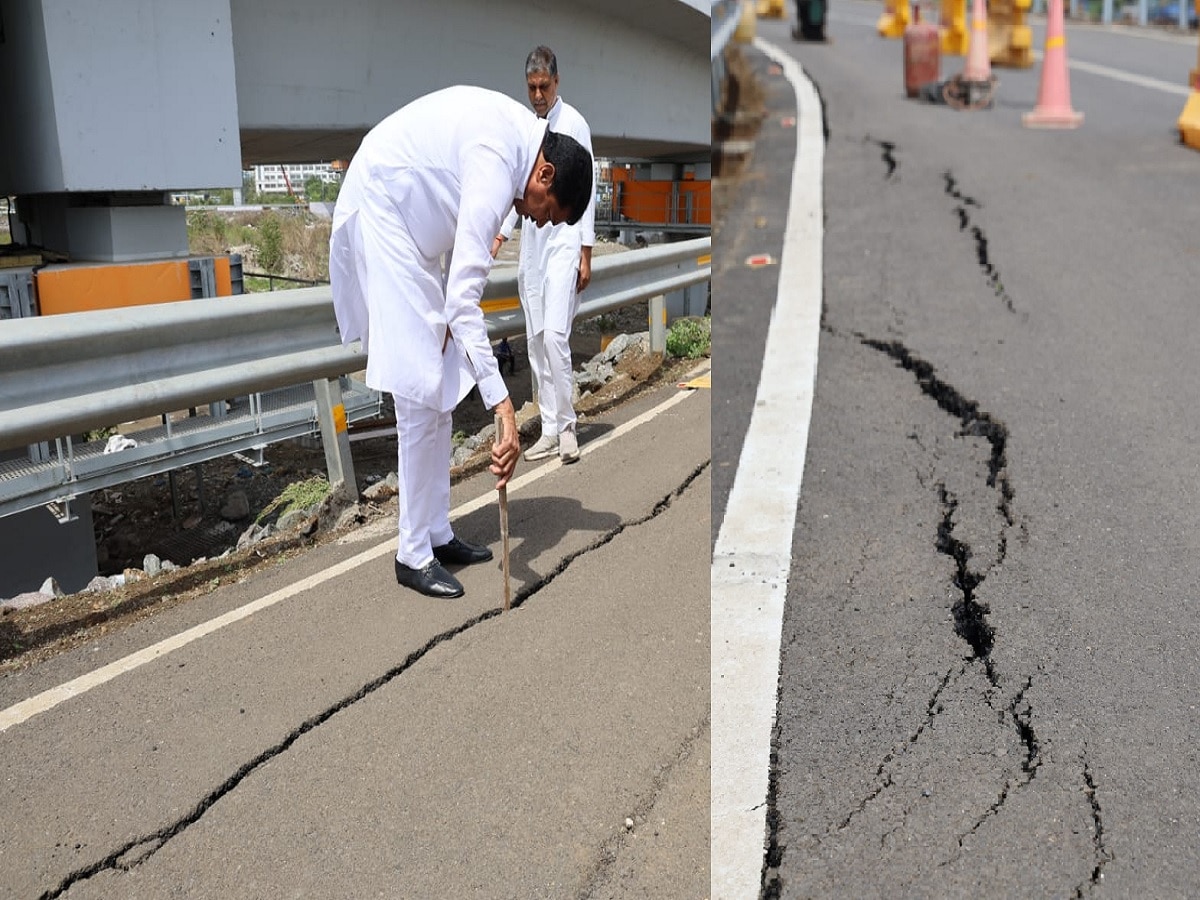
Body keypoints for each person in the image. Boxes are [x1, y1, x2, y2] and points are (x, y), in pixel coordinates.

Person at [329, 85, 593, 599]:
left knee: (443, 379)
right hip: (384, 209)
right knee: (418, 389)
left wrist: (455, 319)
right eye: (548, 212)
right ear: (546, 176)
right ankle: (411, 552)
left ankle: (437, 532)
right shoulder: (499, 164)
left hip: (417, 229)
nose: (539, 222)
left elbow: (454, 222)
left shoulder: (517, 149)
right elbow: (463, 300)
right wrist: (505, 407)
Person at [493, 46, 597, 465]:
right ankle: (550, 427)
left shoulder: (575, 125)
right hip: (533, 244)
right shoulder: (523, 128)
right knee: (535, 341)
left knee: (556, 336)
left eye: (544, 86)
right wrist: (500, 235)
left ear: (557, 81)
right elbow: (514, 187)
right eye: (532, 87)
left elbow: (586, 194)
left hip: (565, 239)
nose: (538, 94)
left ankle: (569, 426)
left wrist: (586, 252)